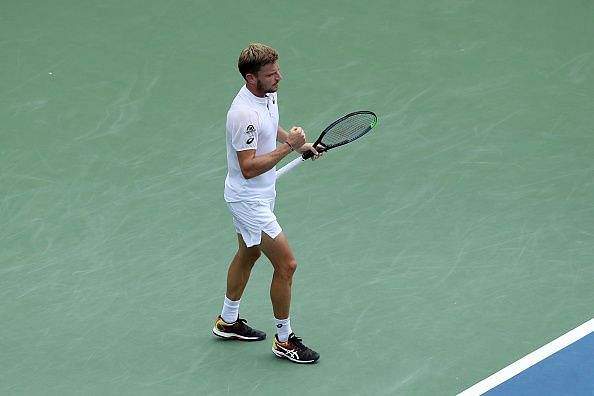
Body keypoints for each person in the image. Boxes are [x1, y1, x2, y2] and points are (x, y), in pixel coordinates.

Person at [212, 43, 321, 364]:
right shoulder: (242, 114)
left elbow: (269, 126)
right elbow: (248, 168)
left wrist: (301, 145)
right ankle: (285, 340)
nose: (279, 78)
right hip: (248, 199)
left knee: (249, 252)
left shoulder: (266, 94)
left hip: (262, 193)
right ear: (251, 78)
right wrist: (289, 146)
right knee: (286, 265)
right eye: (271, 75)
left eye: (278, 71)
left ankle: (227, 321)